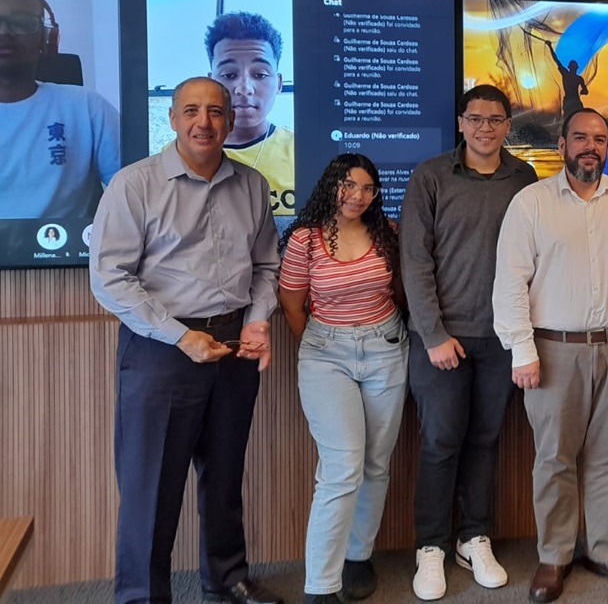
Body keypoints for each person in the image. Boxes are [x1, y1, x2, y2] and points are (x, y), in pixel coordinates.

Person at [89, 77, 281, 604]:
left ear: (230, 119)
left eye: (216, 112)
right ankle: (141, 597)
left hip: (235, 347)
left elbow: (267, 264)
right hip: (161, 350)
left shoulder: (252, 184)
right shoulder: (134, 184)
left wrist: (259, 318)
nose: (205, 122)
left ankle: (226, 578)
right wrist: (180, 337)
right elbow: (110, 277)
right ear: (172, 118)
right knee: (151, 487)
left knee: (224, 476)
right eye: (192, 110)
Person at [493, 108, 608, 603]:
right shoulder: (530, 203)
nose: (590, 146)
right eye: (580, 137)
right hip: (553, 352)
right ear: (562, 146)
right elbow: (510, 282)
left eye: (599, 138)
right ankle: (553, 557)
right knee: (554, 459)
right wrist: (522, 352)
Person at [401, 85, 538, 601]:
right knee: (439, 443)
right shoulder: (431, 176)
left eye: (496, 119)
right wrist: (435, 335)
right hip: (441, 340)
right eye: (476, 118)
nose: (485, 127)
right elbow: (414, 261)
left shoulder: (524, 178)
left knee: (485, 441)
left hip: (501, 338)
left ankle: (473, 537)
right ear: (461, 122)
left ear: (508, 125)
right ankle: (430, 547)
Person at [279, 154, 409, 604]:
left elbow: (399, 294)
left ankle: (358, 555)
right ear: (331, 186)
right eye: (348, 185)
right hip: (326, 356)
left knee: (376, 463)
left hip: (387, 350)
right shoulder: (305, 239)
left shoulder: (387, 234)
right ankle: (320, 585)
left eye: (368, 188)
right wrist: (328, 342)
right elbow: (293, 306)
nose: (357, 195)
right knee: (342, 467)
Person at [0, 0, 119, 219]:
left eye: (22, 23)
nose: (4, 33)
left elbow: (137, 192)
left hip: (65, 252)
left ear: (48, 38)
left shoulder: (88, 108)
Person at [205, 11, 295, 214]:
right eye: (229, 75)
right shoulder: (178, 153)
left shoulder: (303, 150)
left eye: (260, 74)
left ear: (279, 83)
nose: (244, 88)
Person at [544, 40, 588, 119]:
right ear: (573, 68)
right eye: (573, 67)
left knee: (575, 118)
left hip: (573, 101)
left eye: (574, 67)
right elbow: (556, 60)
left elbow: (586, 91)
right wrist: (550, 47)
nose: (573, 68)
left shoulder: (575, 77)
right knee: (573, 118)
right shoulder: (569, 75)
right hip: (572, 101)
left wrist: (583, 91)